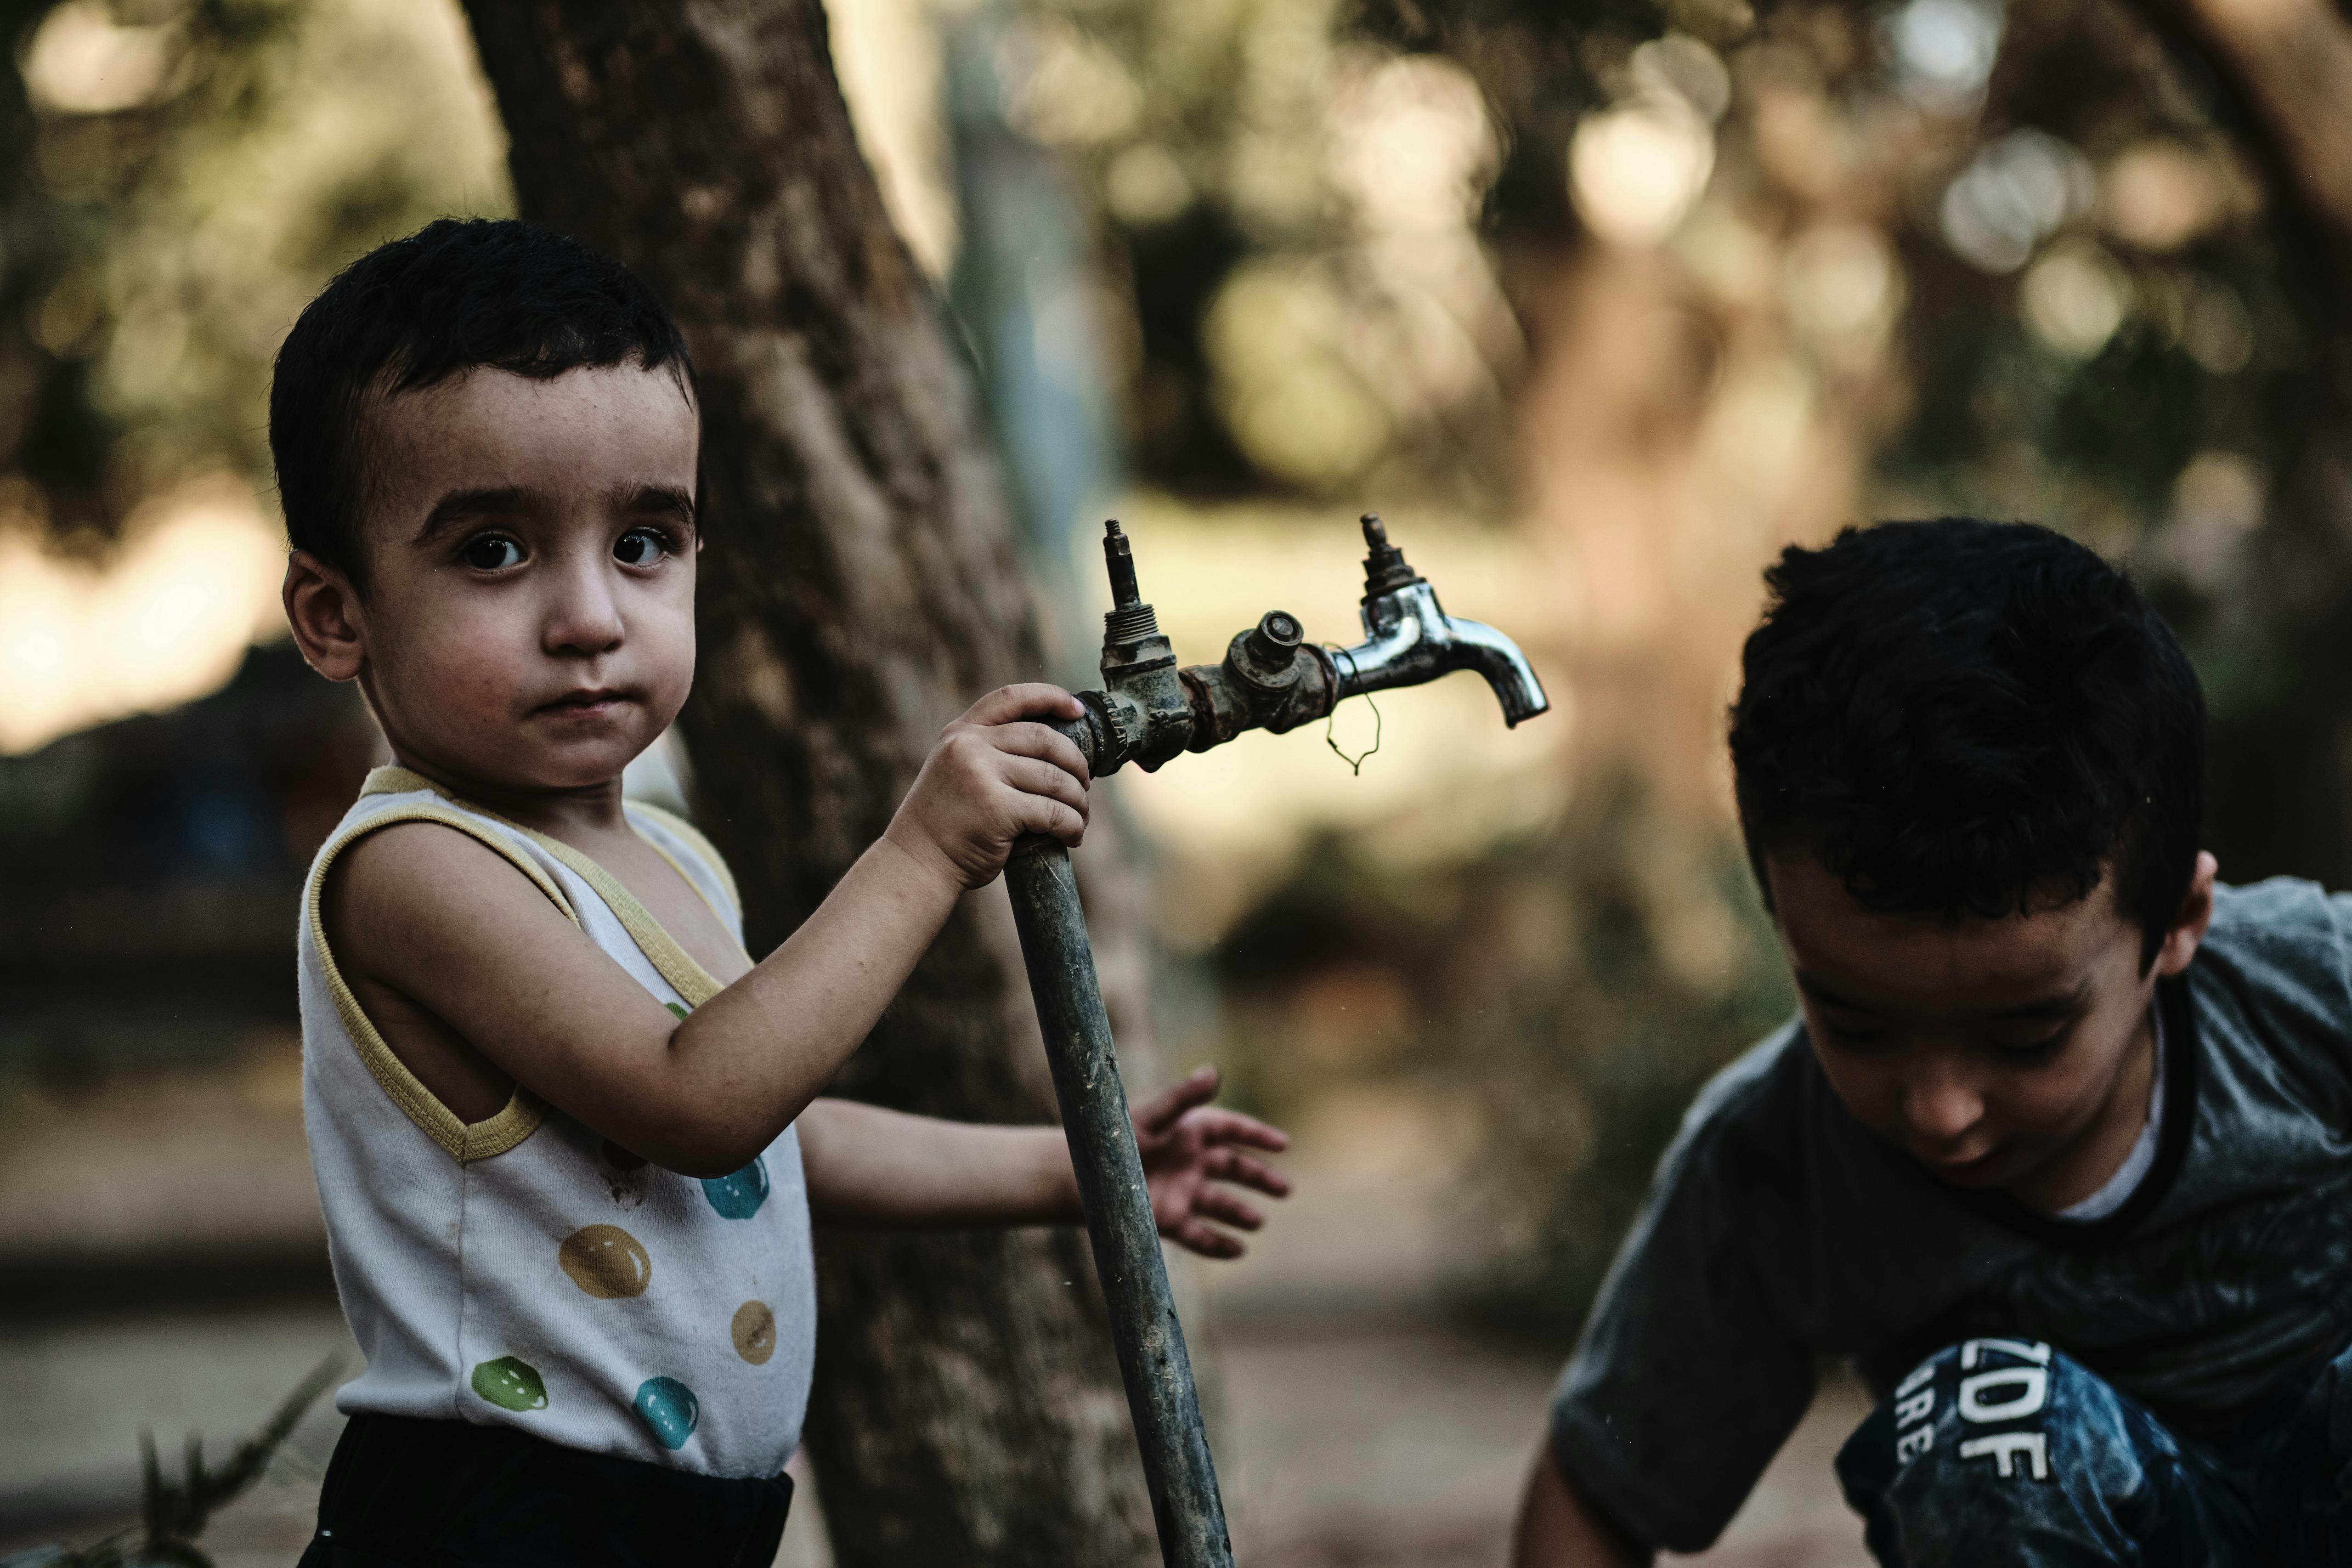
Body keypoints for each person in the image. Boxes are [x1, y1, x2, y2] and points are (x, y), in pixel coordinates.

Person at [273, 217, 1289, 1567]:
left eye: (643, 541)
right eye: (495, 552)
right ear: (336, 613)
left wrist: (1084, 1170)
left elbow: (771, 1143)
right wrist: (924, 850)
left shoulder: (669, 856)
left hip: (687, 1524)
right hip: (501, 1519)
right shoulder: (413, 871)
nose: (589, 615)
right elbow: (703, 1102)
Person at [1511, 519, 2352, 1567]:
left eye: (2028, 1033)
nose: (1939, 1108)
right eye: (1855, 1024)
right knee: (1989, 1436)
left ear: (2177, 924)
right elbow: (1597, 1497)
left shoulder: (2317, 992)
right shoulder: (1776, 1163)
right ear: (1782, 923)